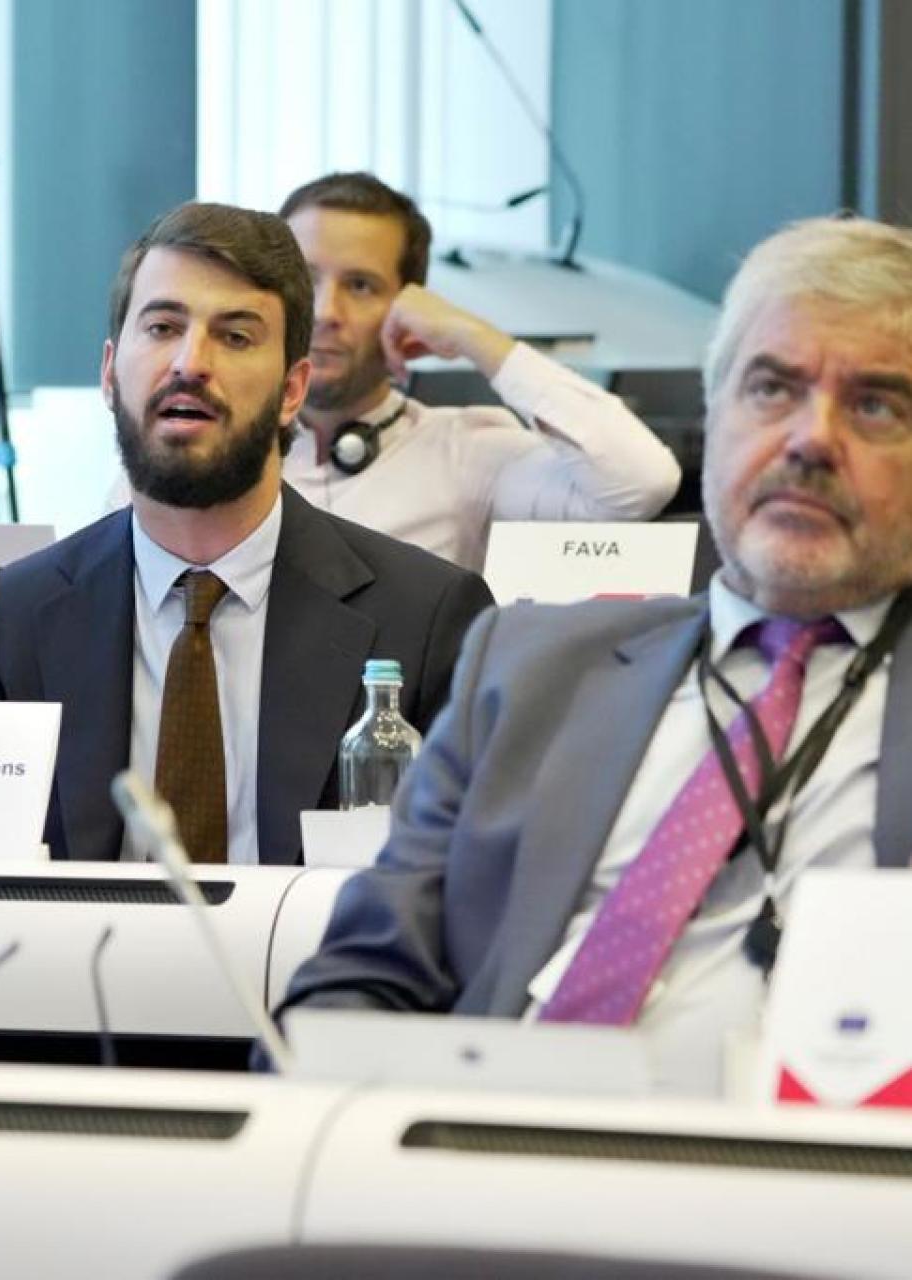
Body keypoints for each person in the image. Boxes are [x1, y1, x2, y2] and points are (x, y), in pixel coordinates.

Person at [277, 215, 912, 1092]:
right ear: (716, 416)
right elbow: (360, 981)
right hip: (496, 1165)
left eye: (876, 404)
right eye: (771, 388)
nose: (810, 440)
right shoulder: (530, 669)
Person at [0, 202, 493, 866]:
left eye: (236, 336)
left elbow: (464, 893)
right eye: (161, 326)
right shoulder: (20, 613)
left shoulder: (427, 616)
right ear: (107, 371)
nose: (190, 362)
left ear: (293, 390)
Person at [278, 171, 682, 572]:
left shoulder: (466, 454)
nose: (325, 312)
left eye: (361, 286)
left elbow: (640, 483)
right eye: (305, 280)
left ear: (408, 305)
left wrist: (476, 336)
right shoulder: (224, 450)